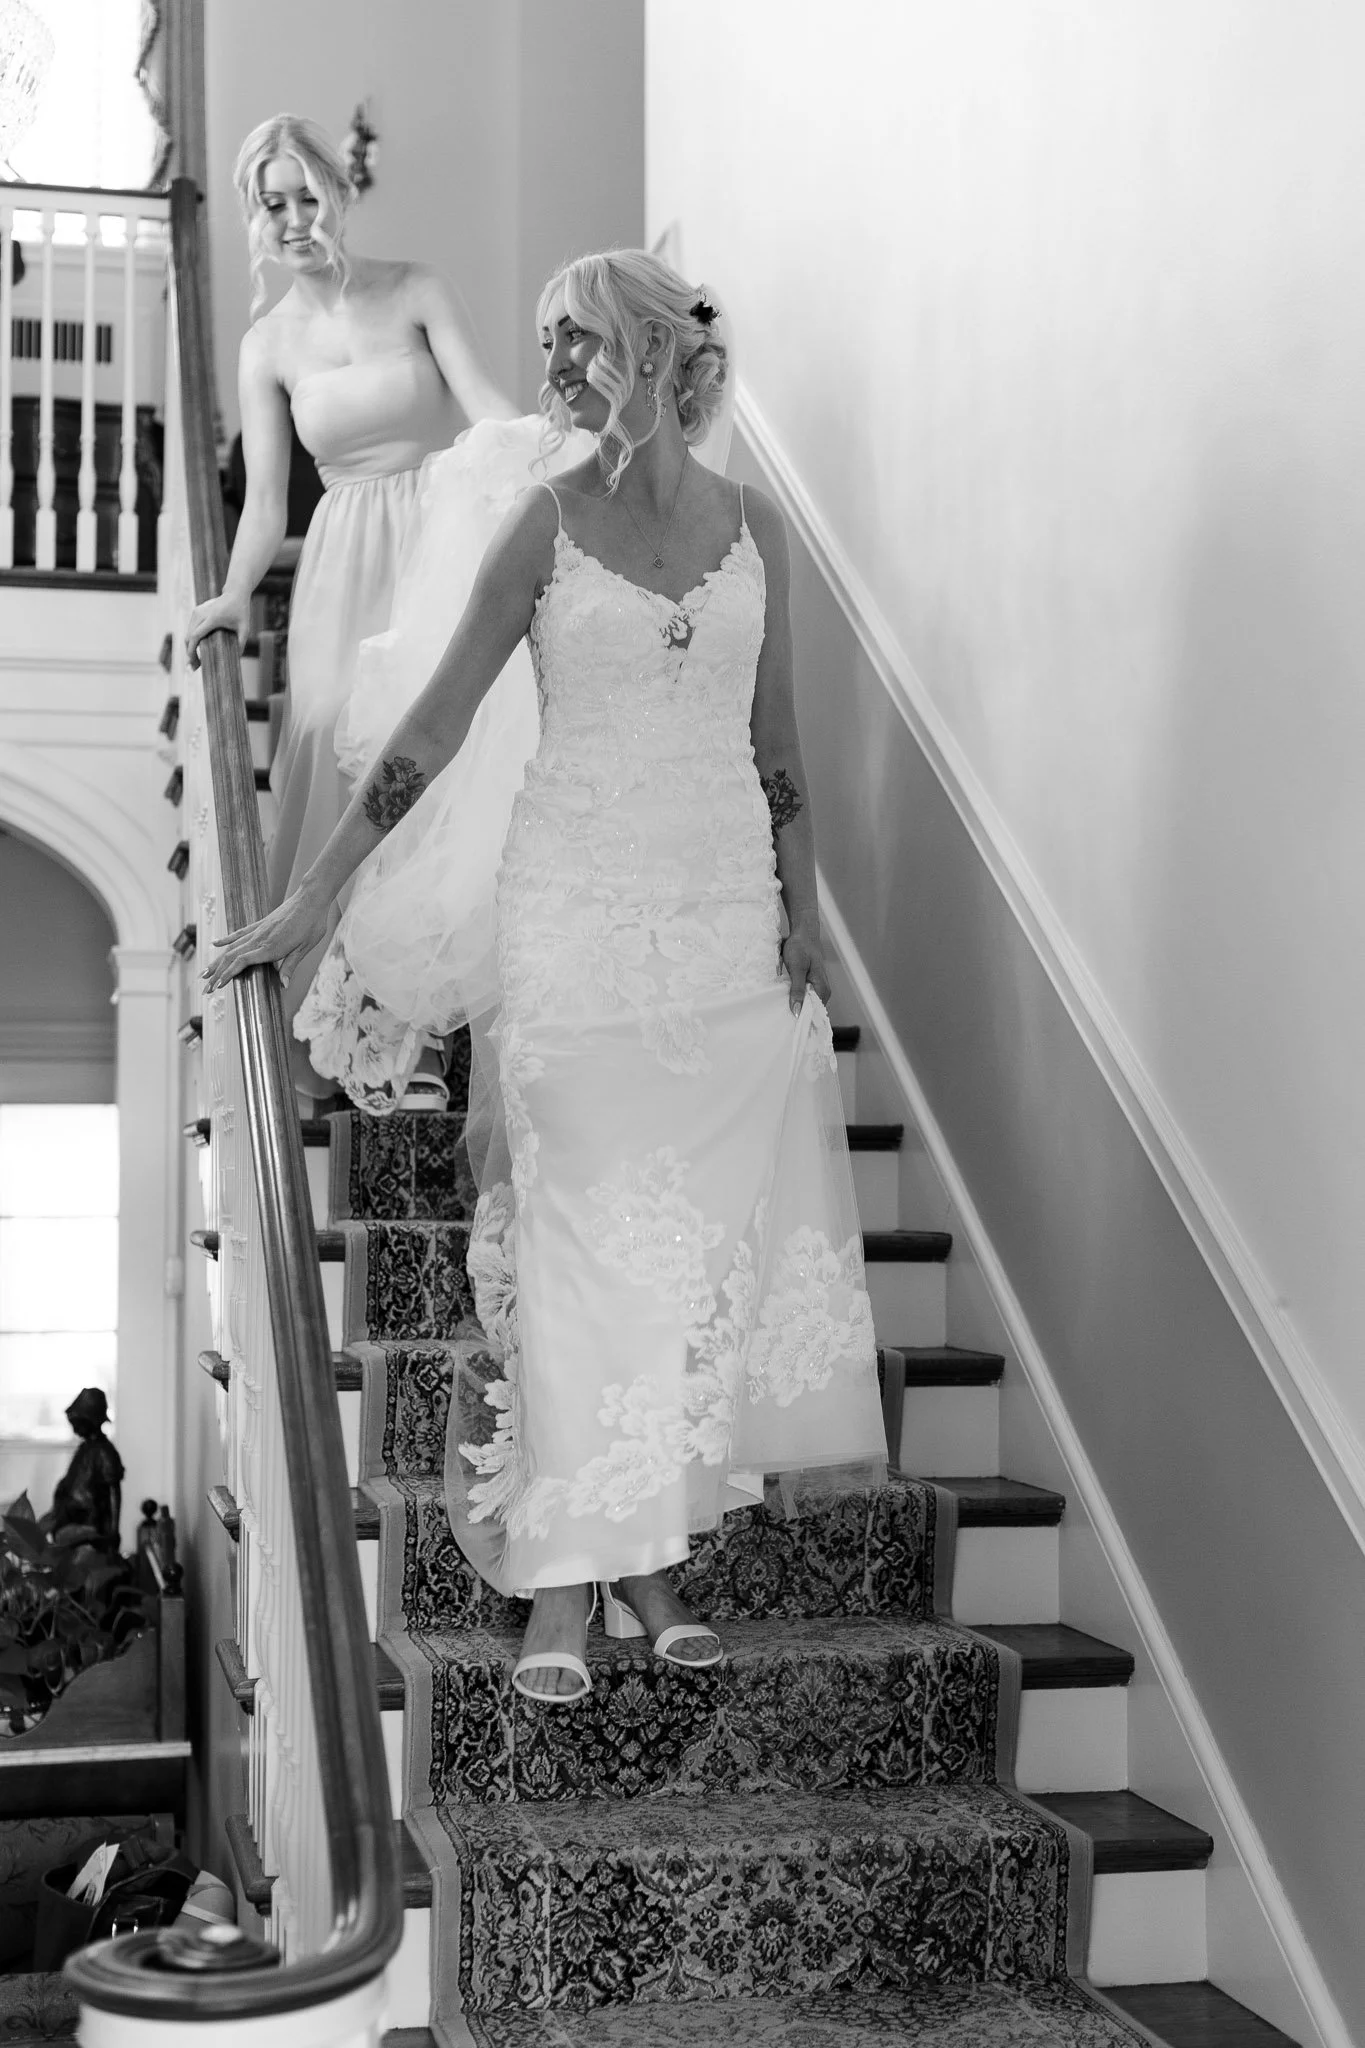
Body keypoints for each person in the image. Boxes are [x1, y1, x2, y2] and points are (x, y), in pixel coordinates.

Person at [204, 249, 887, 1702]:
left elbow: (781, 756)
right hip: (572, 915)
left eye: (573, 341)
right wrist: (311, 905)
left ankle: (647, 1555)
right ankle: (565, 1586)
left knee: (685, 1256)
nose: (552, 366)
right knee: (576, 1233)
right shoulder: (542, 523)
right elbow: (429, 735)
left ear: (650, 351)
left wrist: (803, 917)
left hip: (716, 922)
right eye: (543, 343)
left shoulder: (757, 532)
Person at [186, 112, 514, 1100]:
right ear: (258, 216)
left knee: (429, 749)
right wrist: (235, 594)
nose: (291, 217)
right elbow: (268, 502)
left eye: (303, 195)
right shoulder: (266, 345)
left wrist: (556, 466)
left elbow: (488, 406)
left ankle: (415, 1013)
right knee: (334, 734)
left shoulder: (415, 288)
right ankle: (328, 1010)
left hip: (440, 534)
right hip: (341, 556)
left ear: (338, 191)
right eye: (269, 202)